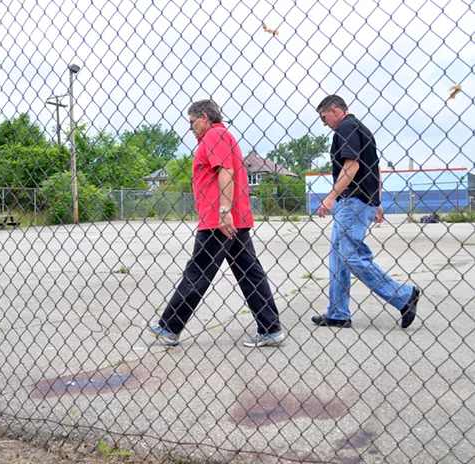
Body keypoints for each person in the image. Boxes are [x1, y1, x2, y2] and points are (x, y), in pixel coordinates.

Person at [145, 99, 284, 347]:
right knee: (249, 273)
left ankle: (169, 327)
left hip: (217, 221)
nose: (190, 128)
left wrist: (223, 211)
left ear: (205, 118)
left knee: (198, 271)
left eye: (191, 121)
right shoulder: (221, 136)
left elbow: (226, 171)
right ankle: (270, 328)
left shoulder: (214, 136)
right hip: (232, 219)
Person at [313, 95, 420, 329]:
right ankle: (338, 313)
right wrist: (377, 200)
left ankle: (404, 295)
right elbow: (375, 168)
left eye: (324, 117)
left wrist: (330, 197)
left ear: (334, 110)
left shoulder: (346, 128)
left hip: (352, 201)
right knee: (338, 257)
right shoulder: (363, 129)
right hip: (363, 200)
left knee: (351, 256)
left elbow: (353, 166)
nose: (324, 123)